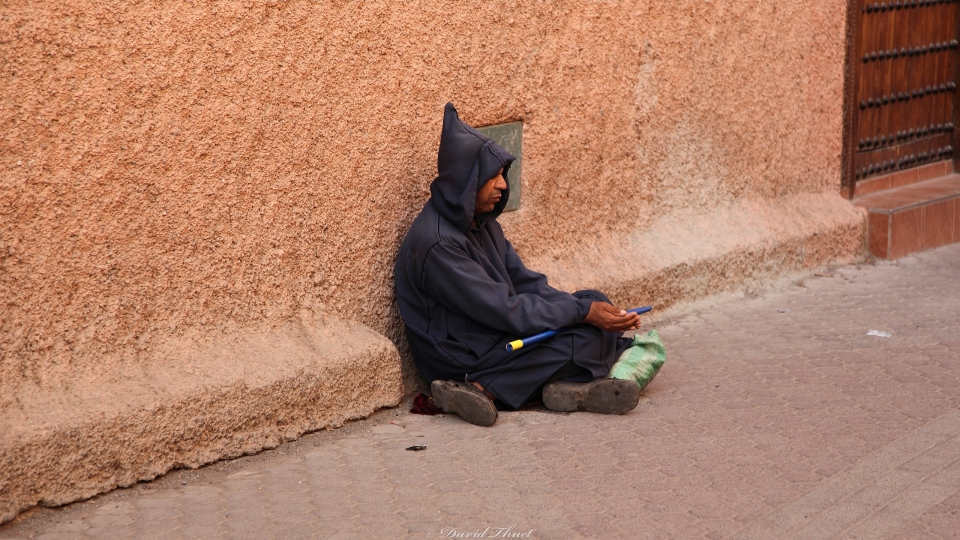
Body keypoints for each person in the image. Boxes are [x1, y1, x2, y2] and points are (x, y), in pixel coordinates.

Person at [394, 103, 643, 427]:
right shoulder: (439, 244)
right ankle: (482, 389)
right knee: (579, 339)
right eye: (492, 176)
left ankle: (556, 388)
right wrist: (581, 315)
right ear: (466, 182)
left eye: (501, 175)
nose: (501, 185)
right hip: (463, 355)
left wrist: (587, 309)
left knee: (594, 303)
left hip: (493, 334)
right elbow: (504, 309)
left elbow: (526, 284)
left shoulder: (481, 223)